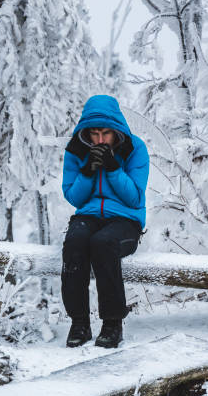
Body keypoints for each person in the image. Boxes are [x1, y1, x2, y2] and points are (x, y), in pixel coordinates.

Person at [61, 95, 149, 348]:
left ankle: (112, 323)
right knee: (75, 242)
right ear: (86, 132)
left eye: (106, 134)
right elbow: (74, 197)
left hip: (125, 220)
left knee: (103, 243)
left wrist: (112, 168)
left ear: (116, 131)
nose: (99, 140)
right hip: (87, 216)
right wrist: (88, 171)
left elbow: (133, 198)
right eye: (94, 134)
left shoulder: (135, 149)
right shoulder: (76, 150)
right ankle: (79, 323)